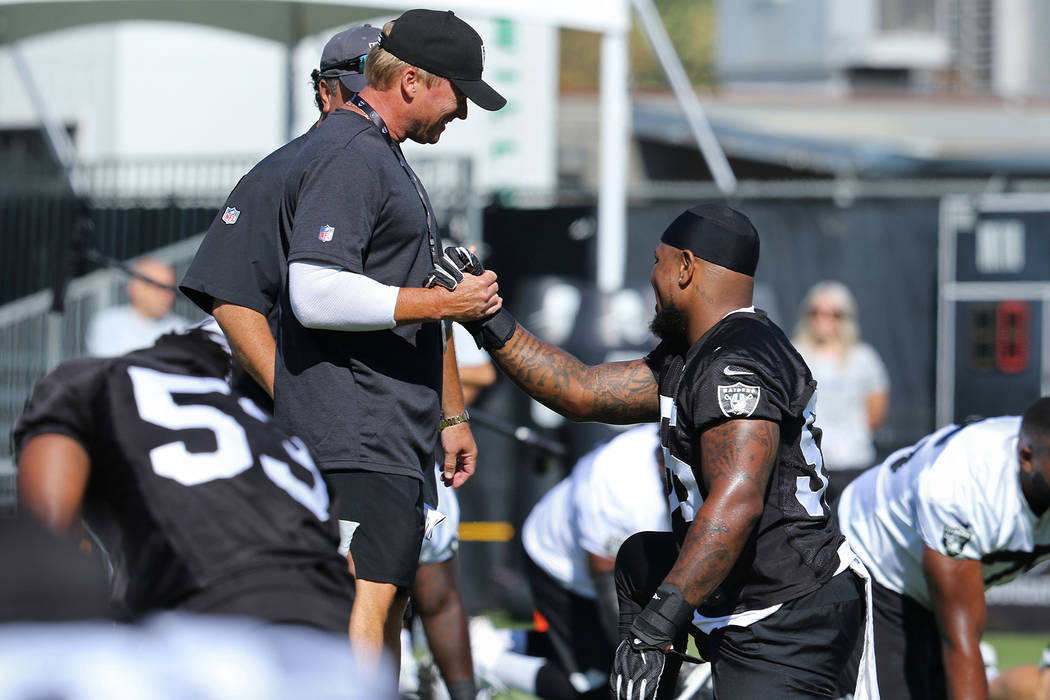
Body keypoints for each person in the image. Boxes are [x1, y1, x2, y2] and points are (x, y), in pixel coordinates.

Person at [452, 204, 873, 699]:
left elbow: (737, 502)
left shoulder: (736, 362)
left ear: (686, 267)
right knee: (639, 561)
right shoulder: (696, 355)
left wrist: (656, 627)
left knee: (653, 586)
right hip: (745, 592)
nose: (651, 277)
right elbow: (580, 390)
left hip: (783, 613)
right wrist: (487, 316)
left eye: (658, 261)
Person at [275, 8, 505, 668]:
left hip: (388, 433)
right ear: (410, 80)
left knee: (386, 614)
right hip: (352, 430)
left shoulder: (379, 152)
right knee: (360, 613)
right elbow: (314, 291)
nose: (461, 113)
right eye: (457, 94)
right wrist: (447, 301)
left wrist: (449, 414)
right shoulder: (351, 152)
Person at [14, 320, 356, 633]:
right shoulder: (273, 430)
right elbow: (344, 561)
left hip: (211, 616)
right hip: (330, 632)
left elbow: (50, 538)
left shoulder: (89, 381)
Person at [180, 24, 382, 406]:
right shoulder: (279, 174)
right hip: (299, 429)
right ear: (325, 91)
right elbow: (232, 299)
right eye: (359, 94)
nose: (369, 107)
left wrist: (450, 416)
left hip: (380, 429)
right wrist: (293, 404)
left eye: (379, 94)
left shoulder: (388, 171)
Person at [837, 399, 1050, 700]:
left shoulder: (1038, 462)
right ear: (1027, 457)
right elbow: (959, 640)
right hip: (875, 561)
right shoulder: (963, 484)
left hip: (936, 585)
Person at [470, 424, 671, 700]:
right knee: (597, 687)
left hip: (629, 569)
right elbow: (612, 593)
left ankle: (508, 641)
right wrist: (651, 656)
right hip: (563, 567)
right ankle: (482, 659)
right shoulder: (618, 481)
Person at [401, 321, 496, 700]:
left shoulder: (430, 283)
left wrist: (452, 420)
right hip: (339, 453)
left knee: (435, 589)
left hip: (414, 455)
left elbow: (440, 603)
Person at [792, 280, 889, 502]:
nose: (822, 319)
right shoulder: (795, 354)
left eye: (832, 314)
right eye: (815, 312)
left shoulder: (864, 358)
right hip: (808, 464)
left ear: (844, 317)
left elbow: (875, 413)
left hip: (853, 463)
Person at [86, 256, 190, 356]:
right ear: (135, 288)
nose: (168, 296)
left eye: (171, 289)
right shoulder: (108, 323)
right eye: (159, 288)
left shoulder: (183, 329)